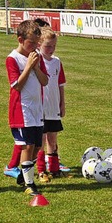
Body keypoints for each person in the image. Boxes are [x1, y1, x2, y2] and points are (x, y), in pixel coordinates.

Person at [5, 20, 48, 195]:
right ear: (20, 39)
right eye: (31, 42)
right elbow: (16, 85)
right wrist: (28, 66)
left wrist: (36, 67)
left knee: (37, 146)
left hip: (37, 109)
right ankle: (30, 185)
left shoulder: (37, 56)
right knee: (27, 146)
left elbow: (45, 81)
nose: (34, 46)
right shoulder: (12, 59)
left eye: (37, 43)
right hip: (21, 111)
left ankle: (24, 175)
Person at [35, 27, 70, 182]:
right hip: (40, 108)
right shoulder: (36, 61)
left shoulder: (57, 62)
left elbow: (60, 85)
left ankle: (54, 169)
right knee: (41, 141)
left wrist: (62, 104)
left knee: (53, 139)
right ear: (39, 44)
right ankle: (42, 170)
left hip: (53, 107)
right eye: (47, 46)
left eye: (53, 46)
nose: (51, 49)